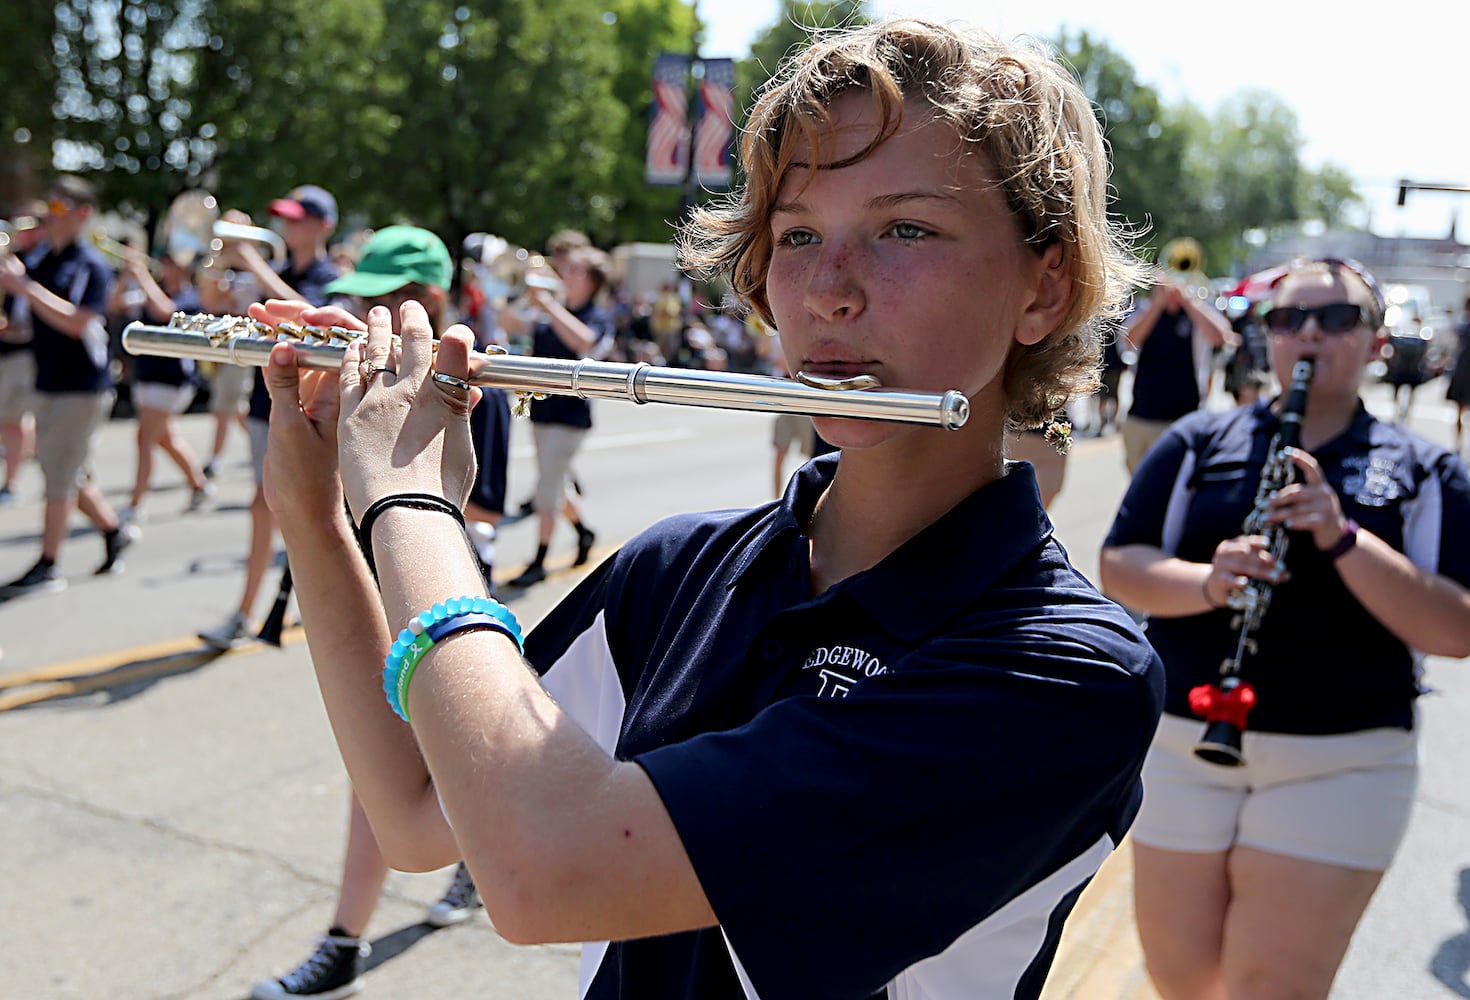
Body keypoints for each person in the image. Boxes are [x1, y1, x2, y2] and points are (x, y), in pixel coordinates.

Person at [257, 20, 1164, 999]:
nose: (827, 292)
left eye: (906, 228)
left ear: (1045, 284)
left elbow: (542, 873)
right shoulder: (682, 567)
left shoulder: (1064, 671)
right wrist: (317, 512)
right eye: (798, 235)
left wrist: (409, 500)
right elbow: (418, 808)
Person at [1099, 256, 1470, 1000]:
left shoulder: (1427, 467)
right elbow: (1121, 566)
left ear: (1374, 343)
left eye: (1337, 319)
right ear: (1263, 338)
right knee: (1183, 979)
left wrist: (1342, 538)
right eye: (1288, 318)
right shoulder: (1199, 440)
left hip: (1344, 758)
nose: (1309, 332)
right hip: (1182, 743)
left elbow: (1455, 629)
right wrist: (1209, 581)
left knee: (1272, 985)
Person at [249, 226, 490, 1000]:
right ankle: (367, 927)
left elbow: (482, 502)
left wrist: (400, 466)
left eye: (398, 299)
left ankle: (345, 938)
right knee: (392, 774)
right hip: (379, 567)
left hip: (449, 577)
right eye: (370, 297)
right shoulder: (372, 370)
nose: (378, 312)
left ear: (435, 300)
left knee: (415, 775)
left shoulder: (472, 367)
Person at [198, 185, 339, 649]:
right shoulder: (274, 268)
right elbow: (213, 306)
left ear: (323, 226)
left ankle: (255, 611)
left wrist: (251, 261)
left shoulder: (329, 274)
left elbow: (308, 315)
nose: (287, 227)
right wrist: (219, 262)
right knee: (270, 508)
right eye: (285, 218)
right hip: (268, 404)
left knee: (278, 508)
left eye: (298, 219)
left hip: (308, 406)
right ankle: (266, 608)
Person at [0, 176, 137, 598]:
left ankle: (49, 563)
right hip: (50, 381)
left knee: (58, 477)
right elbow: (29, 325)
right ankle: (114, 531)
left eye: (58, 208)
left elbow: (79, 323)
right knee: (65, 471)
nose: (48, 216)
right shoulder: (45, 261)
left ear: (82, 213)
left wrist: (23, 285)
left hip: (80, 386)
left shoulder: (89, 264)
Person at [498, 244, 613, 588]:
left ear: (593, 281)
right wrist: (507, 294)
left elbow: (584, 341)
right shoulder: (552, 310)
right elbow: (510, 323)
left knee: (546, 491)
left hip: (570, 416)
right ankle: (583, 531)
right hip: (542, 409)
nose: (566, 276)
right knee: (556, 483)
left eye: (576, 271)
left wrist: (548, 303)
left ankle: (540, 559)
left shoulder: (596, 315)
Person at [114, 251, 214, 520]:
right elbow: (113, 305)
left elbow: (167, 311)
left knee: (144, 438)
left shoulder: (191, 298)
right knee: (165, 439)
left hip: (171, 380)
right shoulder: (149, 292)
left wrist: (142, 277)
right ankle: (199, 484)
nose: (166, 267)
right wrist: (125, 278)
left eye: (173, 263)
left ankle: (135, 503)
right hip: (148, 376)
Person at [1120, 263, 1234, 472]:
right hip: (1143, 416)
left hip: (1185, 416)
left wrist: (1188, 302)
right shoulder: (1147, 310)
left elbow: (1220, 337)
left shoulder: (1195, 313)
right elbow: (1130, 339)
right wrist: (1158, 304)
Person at [0, 202, 47, 505]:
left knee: (28, 420)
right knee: (12, 420)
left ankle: (16, 481)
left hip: (29, 353)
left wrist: (20, 281)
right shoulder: (15, 260)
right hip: (8, 351)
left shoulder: (39, 262)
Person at [1444, 296, 1470, 450]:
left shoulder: (1463, 326)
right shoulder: (1462, 326)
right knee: (1459, 408)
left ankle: (1459, 442)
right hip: (1462, 369)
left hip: (1463, 368)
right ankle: (1458, 442)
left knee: (1460, 408)